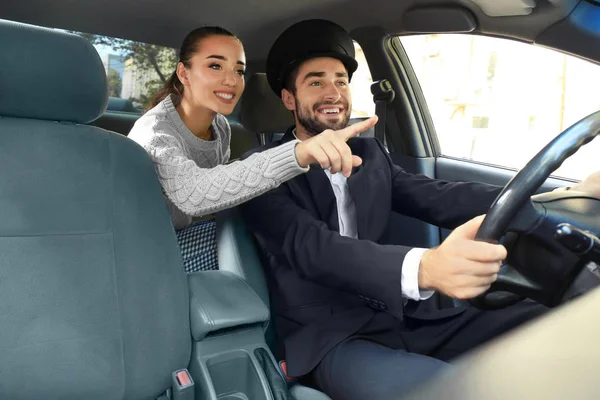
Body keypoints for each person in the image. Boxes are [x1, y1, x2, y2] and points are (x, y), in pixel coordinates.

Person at [240, 19, 600, 399]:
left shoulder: (369, 153)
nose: (333, 93)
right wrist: (426, 268)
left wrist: (566, 196)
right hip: (332, 338)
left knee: (566, 333)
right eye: (316, 82)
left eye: (341, 81)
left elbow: (441, 196)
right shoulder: (261, 168)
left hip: (406, 315)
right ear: (289, 99)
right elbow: (312, 248)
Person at [128, 26, 376, 272]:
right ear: (183, 73)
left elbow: (218, 200)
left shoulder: (220, 126)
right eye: (215, 66)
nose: (231, 80)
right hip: (143, 250)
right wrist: (298, 152)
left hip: (189, 234)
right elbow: (193, 195)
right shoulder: (155, 132)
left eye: (239, 70)